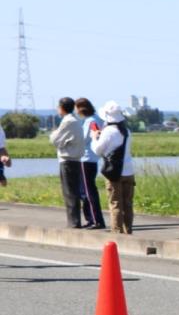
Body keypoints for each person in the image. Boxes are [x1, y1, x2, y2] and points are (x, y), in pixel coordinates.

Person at [89, 101, 136, 234]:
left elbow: (98, 150)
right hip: (129, 171)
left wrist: (94, 138)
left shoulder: (108, 131)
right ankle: (128, 231)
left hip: (114, 173)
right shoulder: (126, 131)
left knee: (115, 204)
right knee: (127, 204)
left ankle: (117, 232)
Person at [49, 97, 86, 228]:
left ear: (62, 108)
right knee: (73, 191)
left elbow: (55, 140)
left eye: (58, 107)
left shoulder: (67, 121)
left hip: (68, 160)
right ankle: (74, 222)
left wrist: (53, 133)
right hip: (75, 160)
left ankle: (73, 223)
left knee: (70, 193)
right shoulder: (75, 120)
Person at [74, 98, 106, 230]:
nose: (76, 111)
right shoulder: (97, 119)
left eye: (76, 108)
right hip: (92, 158)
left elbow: (84, 139)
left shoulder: (90, 121)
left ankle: (96, 220)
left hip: (86, 158)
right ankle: (91, 219)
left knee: (88, 191)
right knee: (87, 190)